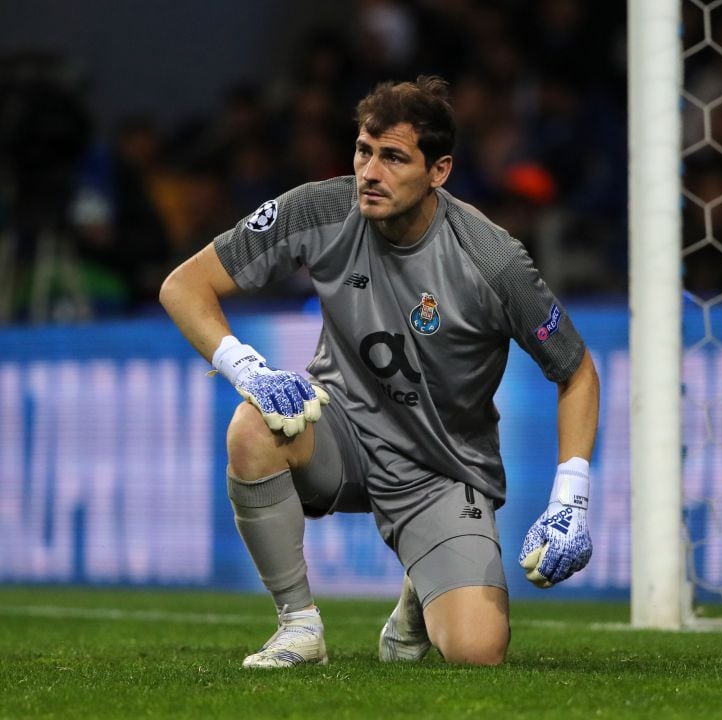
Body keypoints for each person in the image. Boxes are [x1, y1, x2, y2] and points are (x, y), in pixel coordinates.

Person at [159, 76, 599, 668]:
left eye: (393, 157)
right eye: (364, 151)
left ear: (438, 171)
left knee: (476, 652)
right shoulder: (319, 208)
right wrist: (249, 371)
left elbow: (576, 372)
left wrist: (570, 497)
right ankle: (298, 626)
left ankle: (421, 594)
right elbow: (183, 286)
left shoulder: (493, 260)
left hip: (443, 467)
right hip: (341, 431)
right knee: (252, 427)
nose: (370, 172)